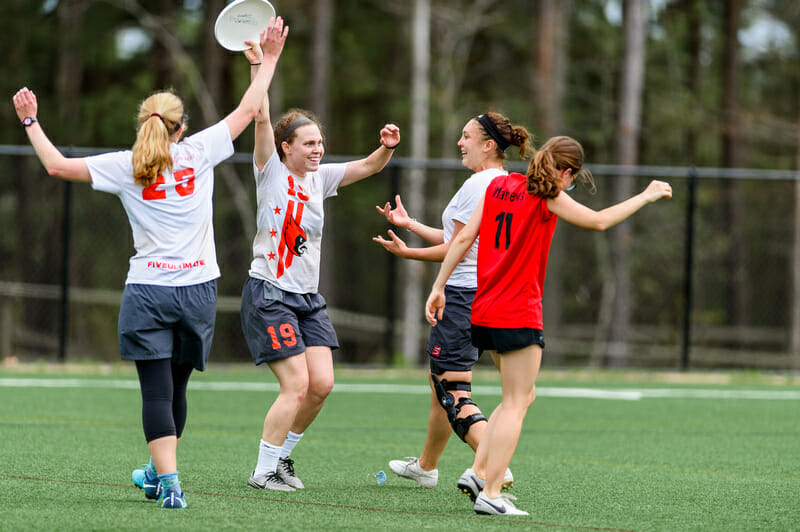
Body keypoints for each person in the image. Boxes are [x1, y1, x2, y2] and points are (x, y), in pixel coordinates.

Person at [12, 18, 289, 509]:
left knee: (156, 392)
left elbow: (54, 165)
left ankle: (169, 481)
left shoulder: (125, 164)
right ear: (180, 126)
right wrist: (266, 60)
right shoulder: (199, 152)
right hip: (198, 292)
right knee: (176, 388)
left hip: (148, 292)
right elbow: (251, 109)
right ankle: (162, 475)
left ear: (143, 123)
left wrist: (31, 121)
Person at [425, 136, 672, 515]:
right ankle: (491, 493)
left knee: (524, 395)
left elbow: (463, 240)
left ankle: (477, 473)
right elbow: (600, 221)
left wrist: (439, 286)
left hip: (483, 309)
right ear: (566, 172)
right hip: (517, 311)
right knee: (514, 403)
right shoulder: (546, 196)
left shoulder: (497, 185)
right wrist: (647, 195)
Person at [240, 40, 401, 492]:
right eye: (309, 143)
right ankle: (262, 470)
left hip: (307, 298)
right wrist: (259, 65)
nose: (318, 150)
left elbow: (369, 166)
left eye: (321, 143)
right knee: (296, 384)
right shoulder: (270, 168)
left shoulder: (321, 177)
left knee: (322, 385)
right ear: (285, 147)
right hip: (269, 292)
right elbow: (259, 115)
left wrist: (385, 148)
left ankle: (282, 460)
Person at [373, 112, 532, 490]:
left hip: (463, 297)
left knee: (453, 391)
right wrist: (411, 226)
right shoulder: (509, 183)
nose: (460, 143)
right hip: (496, 295)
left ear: (488, 145)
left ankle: (492, 464)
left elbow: (456, 249)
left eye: (466, 137)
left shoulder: (477, 185)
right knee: (440, 385)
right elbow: (461, 239)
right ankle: (427, 466)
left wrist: (407, 254)